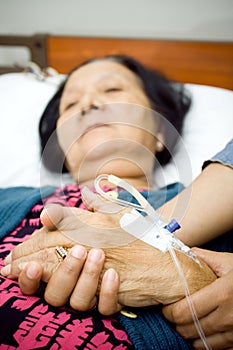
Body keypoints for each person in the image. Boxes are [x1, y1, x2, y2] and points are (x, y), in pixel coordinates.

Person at [0, 54, 221, 349]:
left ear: (159, 132)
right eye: (71, 104)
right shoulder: (9, 200)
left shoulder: (216, 208)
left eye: (112, 91)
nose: (89, 105)